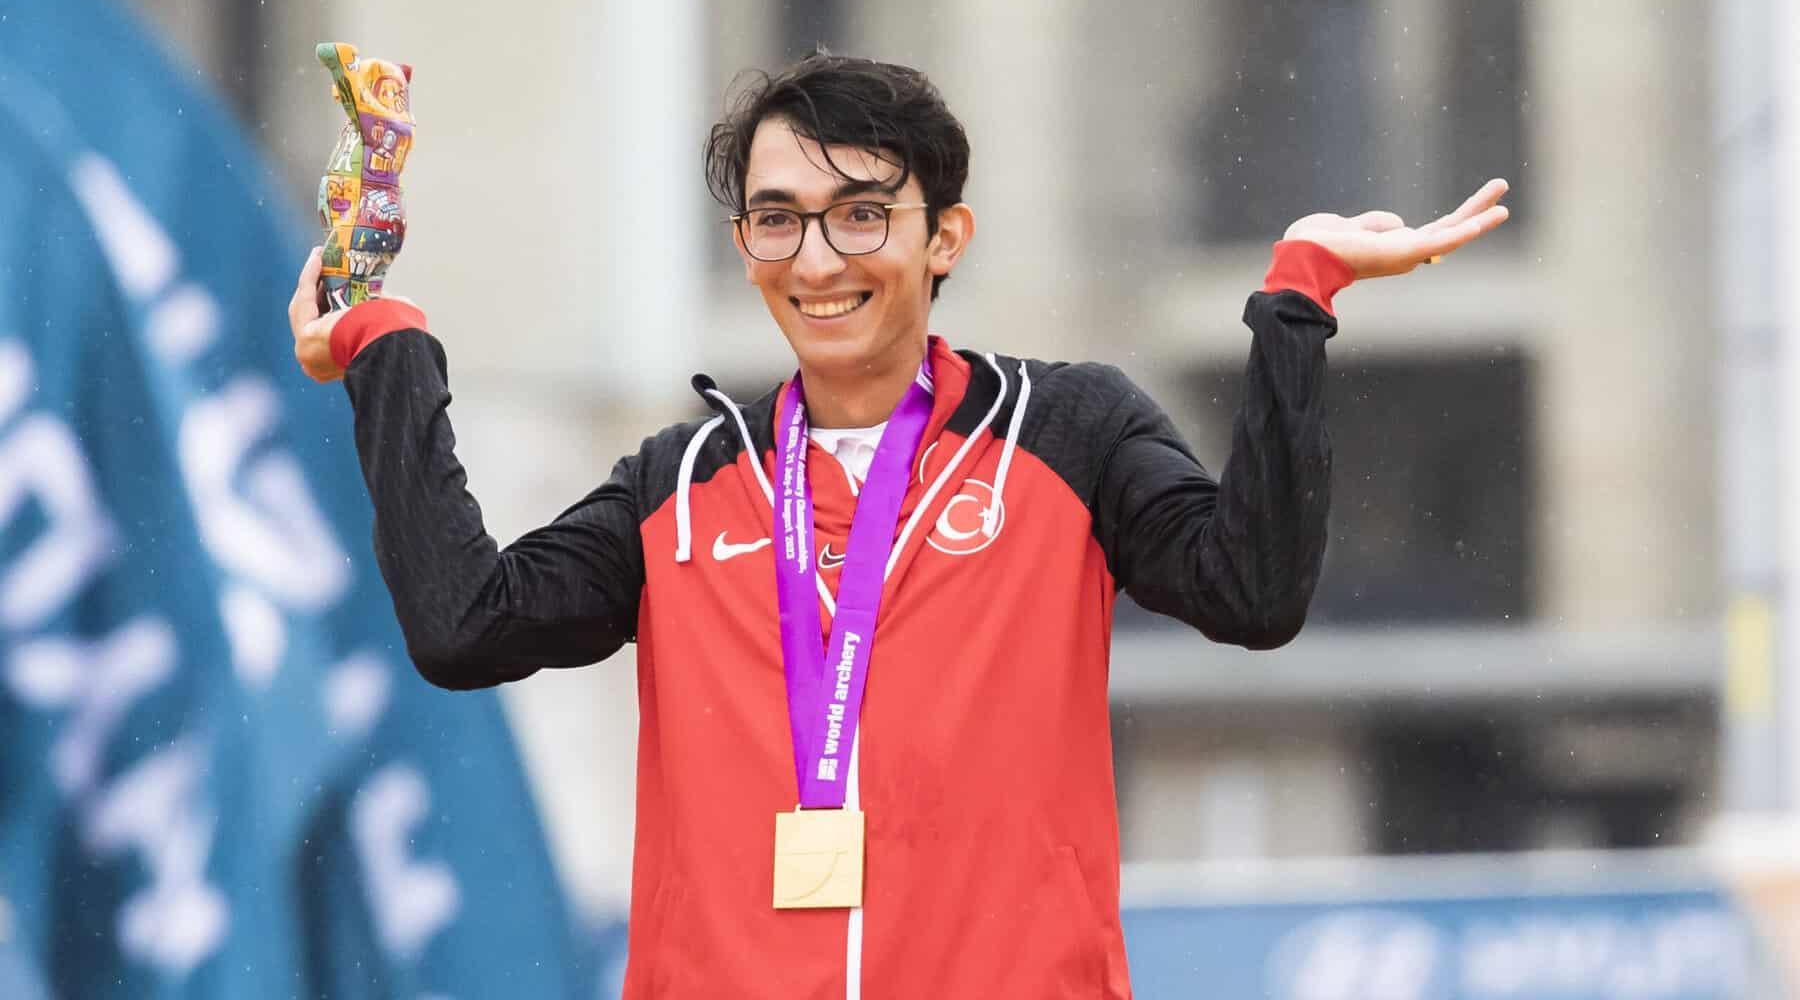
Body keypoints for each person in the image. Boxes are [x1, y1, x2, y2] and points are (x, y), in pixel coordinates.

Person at [289, 54, 1509, 998]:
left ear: (945, 238)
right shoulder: (683, 481)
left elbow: (1252, 591)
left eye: (862, 213)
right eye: (777, 218)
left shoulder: (1067, 433)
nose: (818, 258)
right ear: (746, 248)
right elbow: (465, 625)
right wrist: (389, 354)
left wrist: (1296, 304)